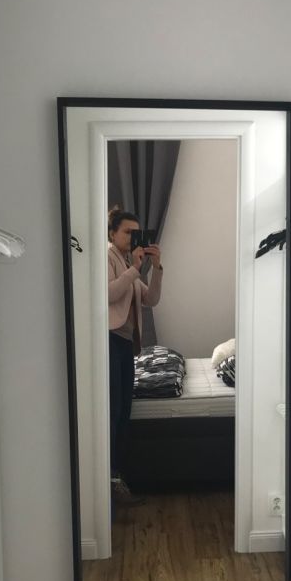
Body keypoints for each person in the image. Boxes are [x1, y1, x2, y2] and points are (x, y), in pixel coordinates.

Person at [107, 206, 163, 504]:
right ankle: (110, 479)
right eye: (127, 232)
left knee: (123, 411)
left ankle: (116, 477)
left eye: (135, 232)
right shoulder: (107, 256)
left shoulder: (128, 261)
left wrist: (157, 268)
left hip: (124, 343)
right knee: (114, 411)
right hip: (109, 340)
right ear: (112, 233)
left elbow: (151, 299)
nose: (132, 237)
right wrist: (134, 270)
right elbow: (108, 294)